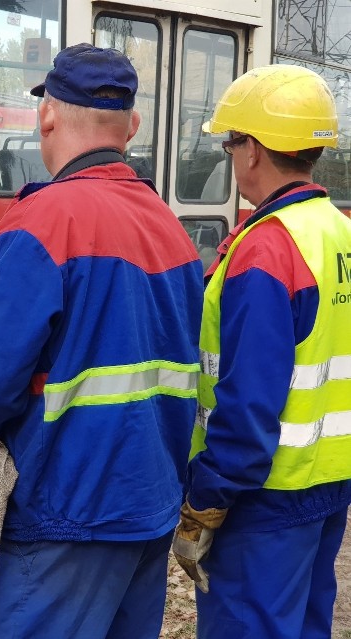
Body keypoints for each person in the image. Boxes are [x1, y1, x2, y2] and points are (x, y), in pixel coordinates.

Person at [0, 44, 204, 638]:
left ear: (46, 116)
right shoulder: (170, 228)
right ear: (133, 127)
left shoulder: (41, 223)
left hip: (63, 518)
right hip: (147, 513)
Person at [172, 65, 351, 638]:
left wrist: (206, 499)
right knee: (302, 625)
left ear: (252, 149)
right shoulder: (338, 232)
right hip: (328, 483)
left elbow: (248, 403)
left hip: (263, 496)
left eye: (230, 141)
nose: (229, 154)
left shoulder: (267, 249)